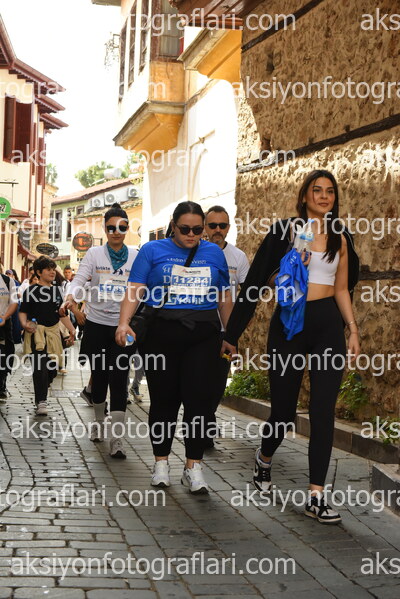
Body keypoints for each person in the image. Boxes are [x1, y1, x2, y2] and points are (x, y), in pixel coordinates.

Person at [223, 170, 360, 524]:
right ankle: (264, 457)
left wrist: (352, 329)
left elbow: (342, 288)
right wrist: (232, 334)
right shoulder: (285, 232)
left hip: (327, 325)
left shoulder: (341, 236)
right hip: (289, 325)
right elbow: (258, 281)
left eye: (330, 191)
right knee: (283, 414)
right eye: (317, 190)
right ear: (304, 197)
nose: (324, 196)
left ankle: (316, 496)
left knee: (323, 411)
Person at [116, 200, 234, 494]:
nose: (192, 235)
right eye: (185, 229)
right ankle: (161, 463)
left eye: (198, 229)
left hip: (203, 335)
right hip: (162, 334)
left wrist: (230, 335)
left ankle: (193, 466)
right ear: (173, 225)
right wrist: (123, 323)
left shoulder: (213, 253)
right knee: (164, 400)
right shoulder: (152, 250)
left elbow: (224, 296)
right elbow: (135, 289)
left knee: (199, 402)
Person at [63, 203, 138, 459]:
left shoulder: (135, 256)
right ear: (105, 230)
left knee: (120, 379)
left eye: (122, 227)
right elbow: (79, 279)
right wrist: (71, 297)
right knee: (100, 376)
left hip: (123, 326)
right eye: (111, 227)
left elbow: (143, 286)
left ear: (127, 229)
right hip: (96, 324)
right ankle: (98, 421)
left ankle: (117, 438)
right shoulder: (94, 254)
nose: (116, 232)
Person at [204, 205, 250, 448]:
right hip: (200, 328)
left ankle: (208, 415)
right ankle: (202, 425)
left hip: (226, 331)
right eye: (213, 225)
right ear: (205, 227)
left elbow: (248, 293)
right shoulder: (197, 253)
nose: (217, 230)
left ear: (228, 228)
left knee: (219, 381)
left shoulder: (238, 257)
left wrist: (236, 328)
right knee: (199, 379)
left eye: (222, 226)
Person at [19, 257, 75, 415]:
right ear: (39, 272)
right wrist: (24, 324)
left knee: (52, 368)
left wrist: (72, 330)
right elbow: (22, 311)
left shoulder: (57, 291)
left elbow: (61, 314)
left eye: (53, 269)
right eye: (48, 269)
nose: (52, 272)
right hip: (36, 334)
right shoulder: (31, 291)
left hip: (53, 334)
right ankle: (41, 401)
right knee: (39, 368)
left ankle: (45, 383)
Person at [0, 269, 18, 398]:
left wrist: (4, 317)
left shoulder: (7, 281)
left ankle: (2, 384)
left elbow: (14, 302)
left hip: (4, 323)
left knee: (5, 353)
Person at [5, 269, 23, 345]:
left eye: (9, 274)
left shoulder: (15, 282)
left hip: (14, 305)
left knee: (15, 323)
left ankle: (16, 339)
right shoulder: (4, 281)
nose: (8, 275)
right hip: (6, 305)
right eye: (7, 273)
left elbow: (18, 295)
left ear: (13, 275)